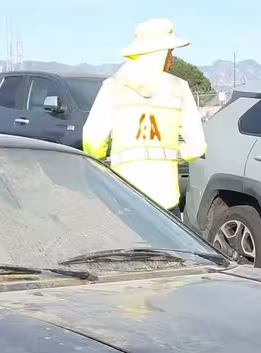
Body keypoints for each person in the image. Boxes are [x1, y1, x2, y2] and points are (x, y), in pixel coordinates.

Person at [82, 19, 206, 212]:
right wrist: (175, 154)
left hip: (123, 195)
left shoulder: (112, 86)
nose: (172, 59)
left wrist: (101, 159)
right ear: (158, 53)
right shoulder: (179, 88)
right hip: (166, 202)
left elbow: (93, 138)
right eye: (170, 52)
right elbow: (197, 146)